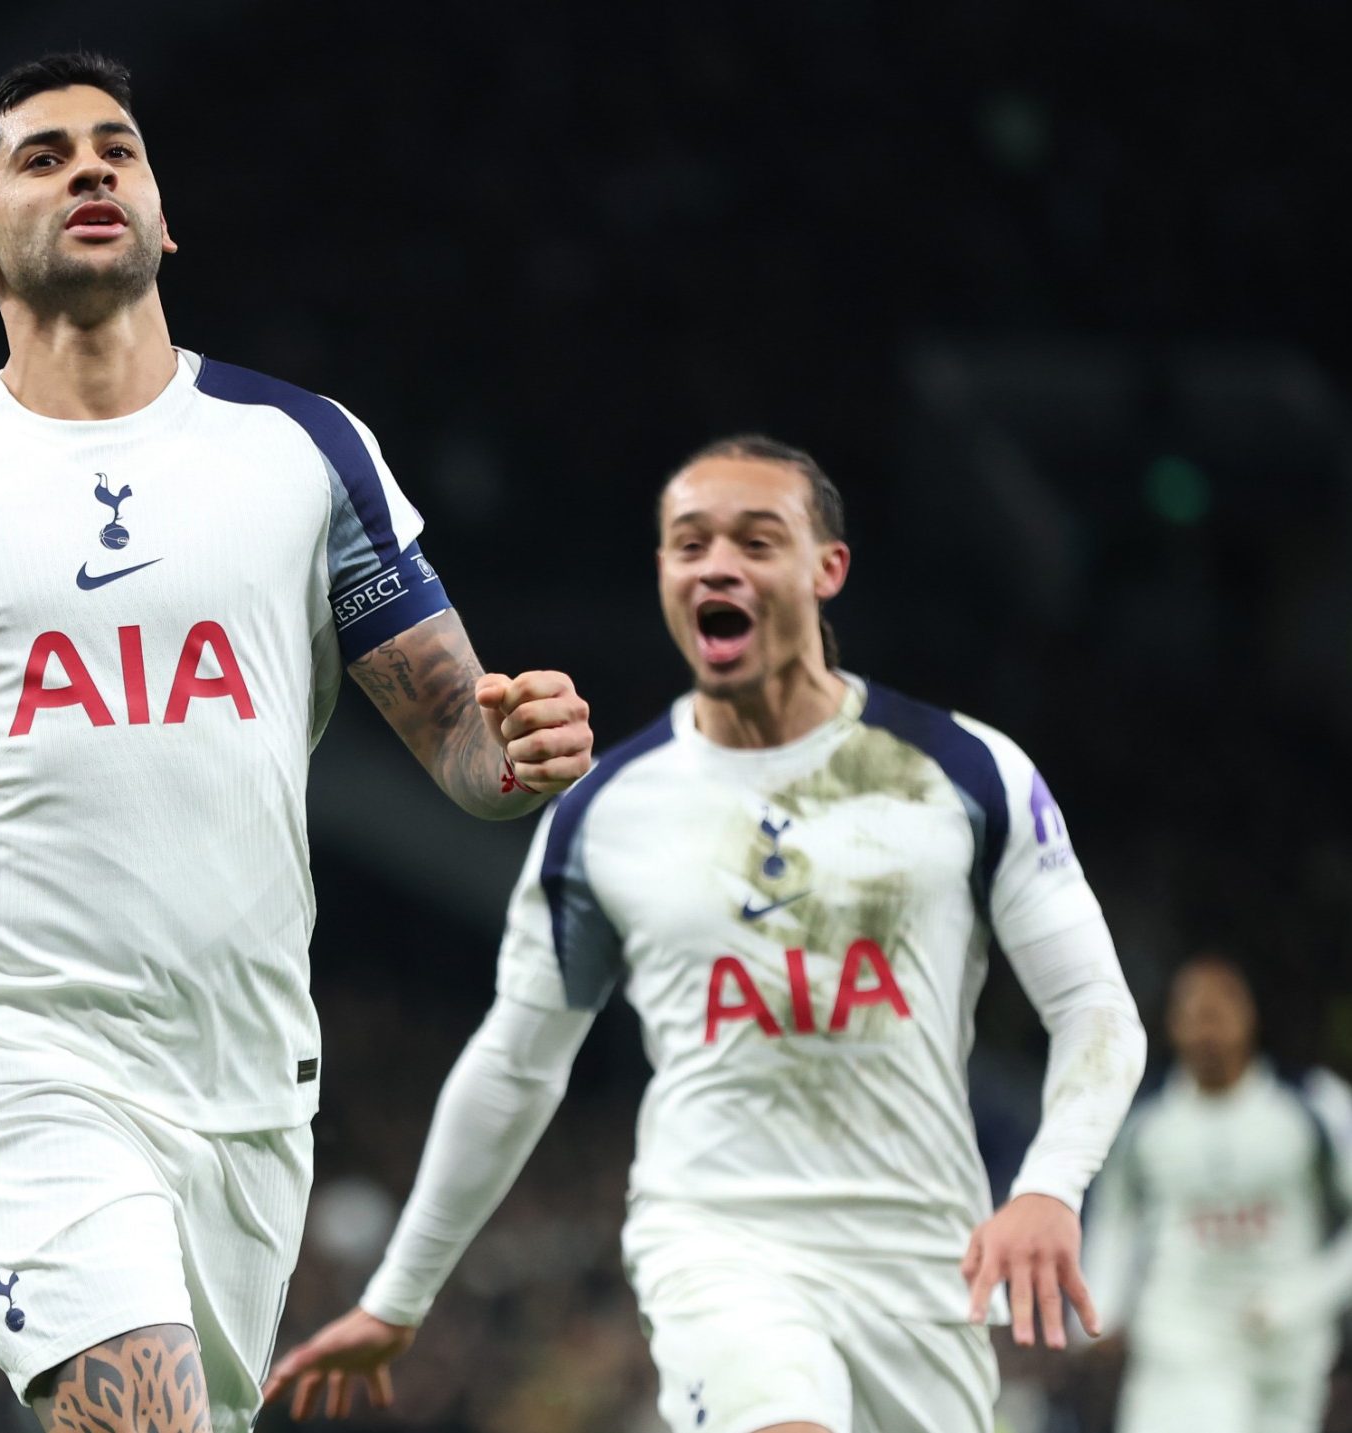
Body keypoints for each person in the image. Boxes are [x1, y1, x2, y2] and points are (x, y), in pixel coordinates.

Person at [0, 52, 595, 1433]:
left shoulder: (300, 447)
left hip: (247, 1072)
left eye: (116, 150)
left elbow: (458, 742)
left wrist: (515, 756)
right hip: (13, 1051)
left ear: (162, 218)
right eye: (43, 155)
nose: (89, 169)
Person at [265, 435, 1149, 1433]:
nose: (715, 562)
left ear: (827, 568)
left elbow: (1093, 1010)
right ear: (663, 575)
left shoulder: (967, 772)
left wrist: (1046, 1185)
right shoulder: (608, 810)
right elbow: (514, 1065)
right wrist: (398, 1293)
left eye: (755, 538)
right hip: (718, 1243)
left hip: (920, 1257)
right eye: (688, 542)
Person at [1081, 956, 1352, 1433]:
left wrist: (1305, 1298)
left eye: (1219, 1014)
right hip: (1181, 1339)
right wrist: (1101, 1307)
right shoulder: (1146, 1123)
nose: (1208, 1031)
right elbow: (1114, 1217)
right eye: (1194, 1016)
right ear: (1172, 1026)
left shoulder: (1313, 1105)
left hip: (1287, 1347)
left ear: (1249, 1016)